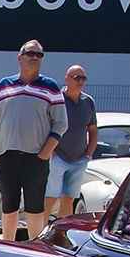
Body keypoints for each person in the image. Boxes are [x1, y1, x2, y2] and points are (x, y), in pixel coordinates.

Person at [0, 39, 66, 241]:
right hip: (6, 158)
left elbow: (61, 123)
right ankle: (8, 248)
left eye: (39, 55)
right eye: (31, 53)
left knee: (35, 207)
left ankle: (34, 253)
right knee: (9, 206)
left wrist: (44, 154)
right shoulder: (4, 85)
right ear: (20, 57)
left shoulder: (51, 87)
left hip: (35, 159)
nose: (35, 58)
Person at [44, 65, 98, 221]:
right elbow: (46, 127)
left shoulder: (88, 102)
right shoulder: (57, 100)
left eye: (83, 78)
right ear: (66, 79)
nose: (80, 81)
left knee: (69, 198)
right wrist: (51, 153)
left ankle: (61, 234)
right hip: (57, 157)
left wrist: (88, 154)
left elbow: (93, 129)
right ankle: (38, 235)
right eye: (76, 78)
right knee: (50, 198)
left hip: (79, 159)